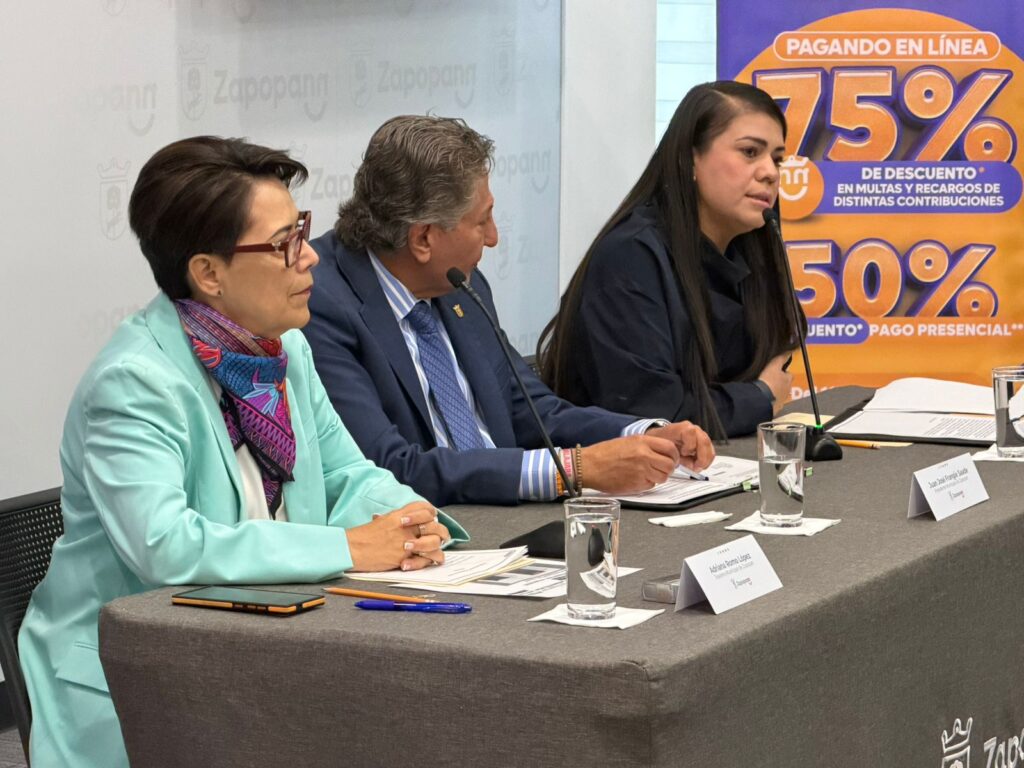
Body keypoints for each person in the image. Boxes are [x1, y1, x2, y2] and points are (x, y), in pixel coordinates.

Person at [19, 136, 465, 768]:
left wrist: (410, 520)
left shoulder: (282, 347)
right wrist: (348, 548)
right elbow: (165, 546)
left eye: (301, 231)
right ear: (208, 274)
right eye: (284, 243)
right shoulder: (134, 382)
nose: (310, 256)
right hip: (140, 682)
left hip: (266, 647)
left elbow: (345, 472)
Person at [304, 115, 714, 507]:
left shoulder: (459, 285)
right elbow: (387, 467)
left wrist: (643, 433)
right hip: (428, 529)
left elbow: (528, 408)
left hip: (508, 517)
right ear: (424, 238)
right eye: (482, 221)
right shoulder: (320, 304)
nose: (494, 237)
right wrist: (573, 469)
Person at [537, 81, 801, 439]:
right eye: (750, 152)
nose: (770, 172)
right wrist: (760, 396)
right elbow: (654, 415)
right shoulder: (630, 256)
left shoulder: (752, 251)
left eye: (777, 158)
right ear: (689, 159)